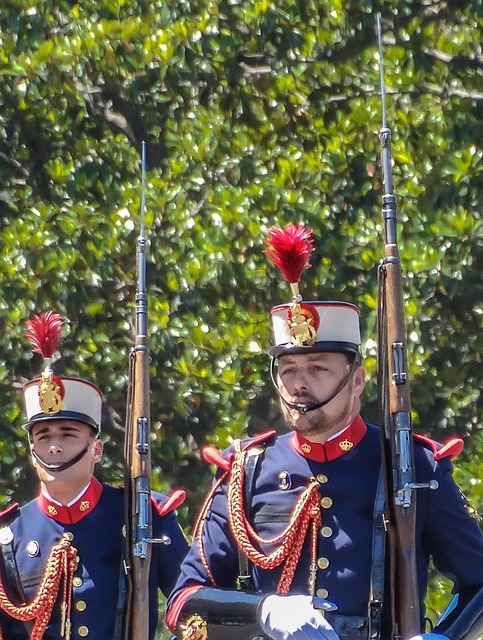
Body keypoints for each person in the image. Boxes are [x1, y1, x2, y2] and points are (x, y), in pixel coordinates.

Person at [165, 224, 483, 640]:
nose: (300, 384)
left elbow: (479, 580)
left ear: (356, 381)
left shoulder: (412, 465)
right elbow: (183, 602)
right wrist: (263, 611)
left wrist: (441, 639)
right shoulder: (247, 470)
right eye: (289, 369)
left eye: (318, 369)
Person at [0, 311, 189, 640]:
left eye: (68, 434)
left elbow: (190, 608)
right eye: (43, 437)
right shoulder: (10, 535)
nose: (55, 447)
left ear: (96, 450)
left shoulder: (143, 514)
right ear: (32, 452)